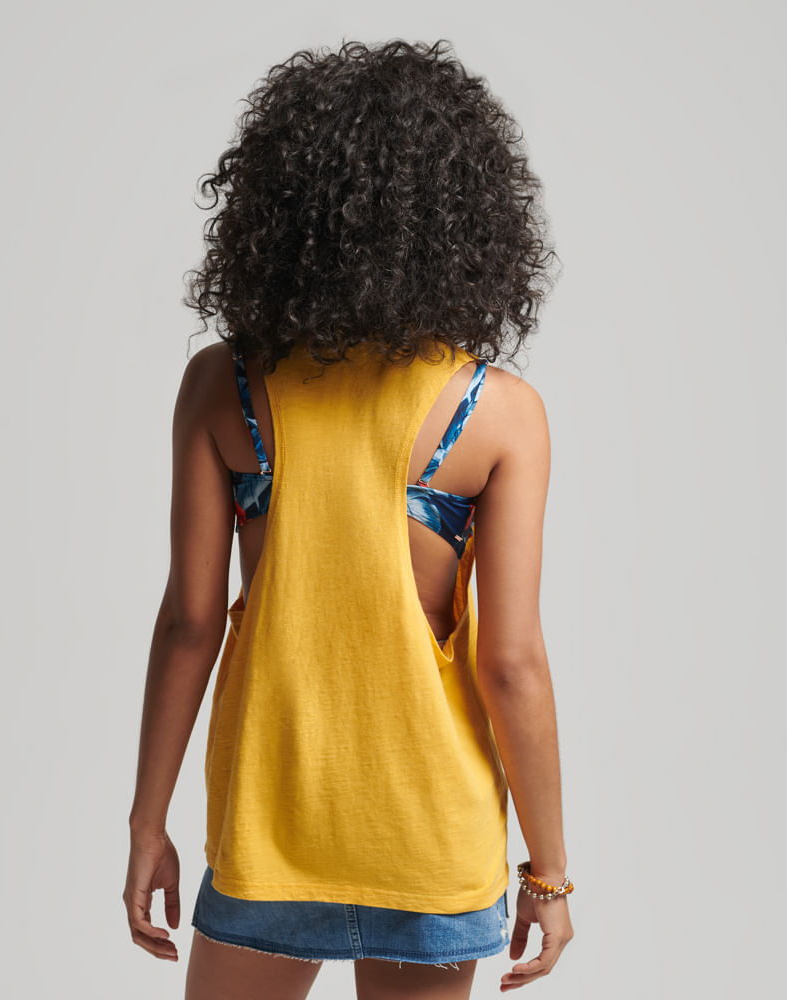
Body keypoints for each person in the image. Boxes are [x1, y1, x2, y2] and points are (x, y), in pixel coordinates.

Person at [123, 38, 574, 999]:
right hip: (428, 838)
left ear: (281, 210)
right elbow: (511, 663)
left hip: (268, 826)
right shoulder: (498, 414)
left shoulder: (222, 387)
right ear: (465, 217)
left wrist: (145, 824)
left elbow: (190, 624)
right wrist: (549, 873)